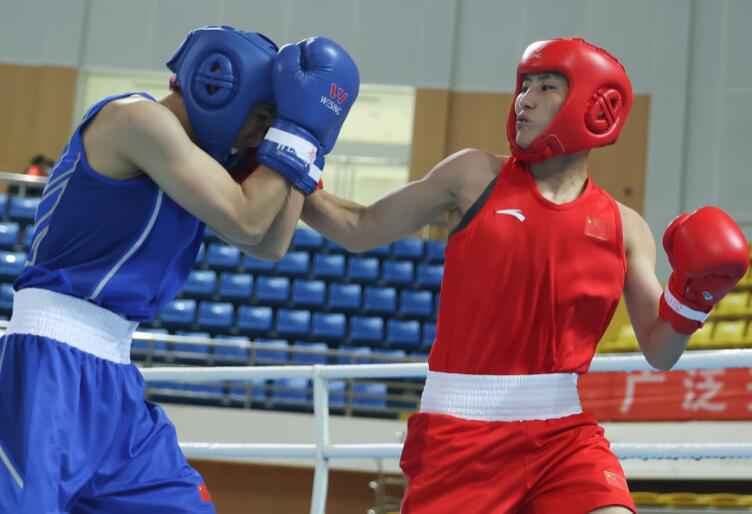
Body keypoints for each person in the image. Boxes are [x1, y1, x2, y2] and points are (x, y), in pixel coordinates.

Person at [301, 38, 749, 514]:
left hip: (563, 437)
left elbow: (660, 351)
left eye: (547, 86)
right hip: (460, 435)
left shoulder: (625, 227)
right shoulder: (474, 177)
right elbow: (358, 228)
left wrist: (693, 298)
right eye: (525, 84)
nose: (525, 99)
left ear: (596, 106)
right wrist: (290, 165)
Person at [0, 25, 358, 513]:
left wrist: (309, 140)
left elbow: (270, 244)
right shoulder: (135, 120)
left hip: (115, 376)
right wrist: (296, 132)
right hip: (48, 362)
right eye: (260, 117)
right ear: (218, 85)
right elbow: (248, 220)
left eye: (271, 124)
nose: (258, 135)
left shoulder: (195, 162)